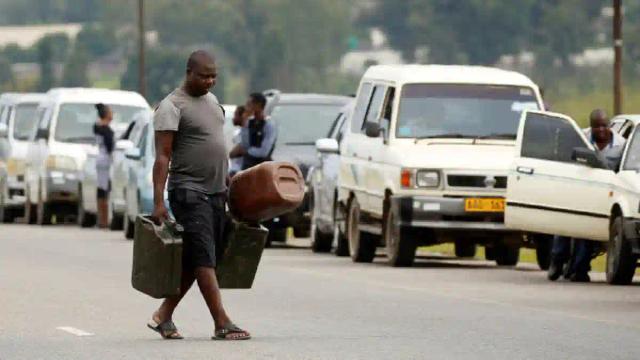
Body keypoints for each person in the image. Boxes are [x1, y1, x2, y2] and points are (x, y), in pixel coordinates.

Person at [149, 50, 250, 340]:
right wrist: (159, 202)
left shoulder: (213, 101)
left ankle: (163, 315)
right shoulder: (171, 106)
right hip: (189, 192)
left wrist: (229, 183)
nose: (210, 81)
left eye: (213, 76)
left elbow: (216, 145)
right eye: (204, 75)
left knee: (201, 259)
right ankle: (222, 322)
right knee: (203, 258)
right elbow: (162, 157)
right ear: (189, 72)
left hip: (217, 192)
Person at [548, 109, 626, 282]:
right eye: (596, 126)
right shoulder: (580, 138)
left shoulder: (621, 145)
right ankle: (557, 261)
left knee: (586, 232)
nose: (600, 130)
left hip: (603, 194)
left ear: (609, 126)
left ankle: (579, 268)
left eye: (604, 126)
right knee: (565, 224)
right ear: (590, 127)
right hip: (579, 189)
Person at [229, 93, 276, 170]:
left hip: (262, 166)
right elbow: (245, 144)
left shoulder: (268, 124)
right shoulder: (249, 122)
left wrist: (246, 151)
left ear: (259, 105)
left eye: (249, 104)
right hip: (248, 166)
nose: (246, 107)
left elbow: (264, 151)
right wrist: (244, 121)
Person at [93, 103, 114, 229]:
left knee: (101, 188)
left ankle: (101, 219)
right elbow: (110, 147)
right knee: (104, 190)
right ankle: (104, 220)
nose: (112, 114)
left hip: (100, 159)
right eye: (110, 112)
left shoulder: (97, 127)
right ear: (106, 114)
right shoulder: (106, 130)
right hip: (105, 160)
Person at [228, 105, 247, 177]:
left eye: (235, 115)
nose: (233, 118)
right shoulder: (238, 132)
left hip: (239, 171)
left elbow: (237, 151)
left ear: (242, 116)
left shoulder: (243, 133)